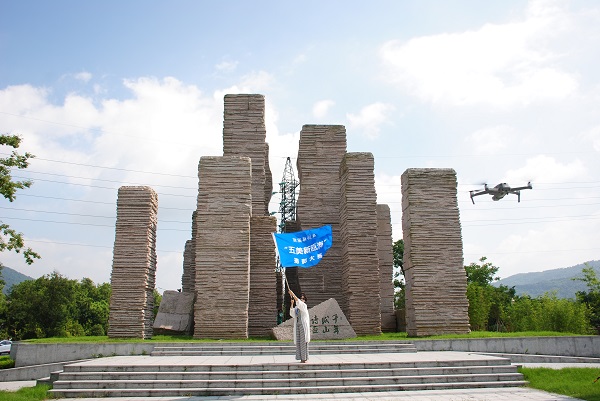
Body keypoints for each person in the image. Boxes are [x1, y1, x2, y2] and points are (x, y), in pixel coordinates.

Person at [288, 289, 310, 363]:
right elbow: (292, 314)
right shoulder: (297, 308)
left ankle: (304, 358)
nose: (301, 299)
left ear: (305, 300)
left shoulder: (304, 306)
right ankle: (300, 357)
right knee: (298, 341)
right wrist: (292, 304)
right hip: (297, 325)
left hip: (303, 326)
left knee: (303, 341)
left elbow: (299, 302)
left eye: (303, 298)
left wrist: (292, 293)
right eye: (301, 298)